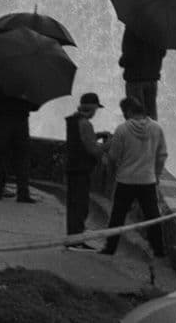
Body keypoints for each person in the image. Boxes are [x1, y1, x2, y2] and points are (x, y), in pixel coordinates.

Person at [98, 96, 168, 259]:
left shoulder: (122, 130)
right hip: (147, 180)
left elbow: (114, 156)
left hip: (125, 180)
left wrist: (109, 164)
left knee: (117, 215)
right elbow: (162, 155)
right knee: (152, 216)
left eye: (124, 112)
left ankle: (110, 248)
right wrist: (156, 175)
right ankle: (159, 250)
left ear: (128, 111)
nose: (123, 115)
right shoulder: (156, 129)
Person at [63, 91, 106, 247]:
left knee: (74, 205)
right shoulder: (86, 124)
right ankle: (76, 242)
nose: (96, 112)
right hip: (81, 170)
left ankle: (74, 239)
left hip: (72, 167)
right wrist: (109, 144)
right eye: (96, 109)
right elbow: (93, 150)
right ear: (92, 108)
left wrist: (98, 135)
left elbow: (82, 139)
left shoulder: (73, 120)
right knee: (80, 207)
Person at [0, 84, 36, 203]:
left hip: (2, 122)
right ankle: (23, 193)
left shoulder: (1, 82)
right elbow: (35, 106)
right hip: (21, 124)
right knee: (22, 159)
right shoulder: (30, 84)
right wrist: (26, 99)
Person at [119, 26, 165, 121]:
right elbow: (162, 52)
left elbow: (129, 55)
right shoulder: (159, 28)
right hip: (152, 79)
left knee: (136, 115)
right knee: (151, 116)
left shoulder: (132, 27)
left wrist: (122, 62)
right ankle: (152, 135)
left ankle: (138, 135)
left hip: (135, 79)